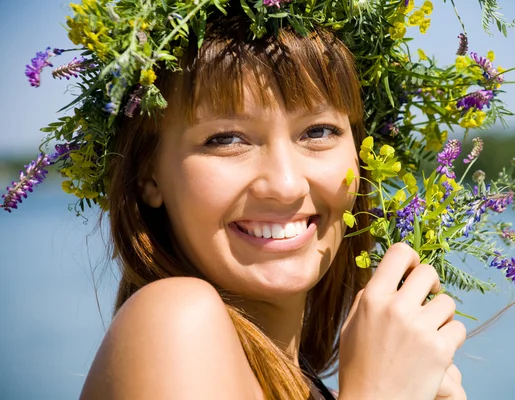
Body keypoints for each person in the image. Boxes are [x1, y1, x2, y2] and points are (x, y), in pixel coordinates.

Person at [72, 9, 467, 399]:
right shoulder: (174, 320)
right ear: (147, 176)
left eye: (319, 131)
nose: (286, 184)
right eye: (227, 139)